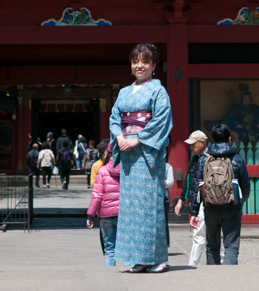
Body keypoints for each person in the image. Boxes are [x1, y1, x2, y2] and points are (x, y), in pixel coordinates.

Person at [110, 42, 173, 274]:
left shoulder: (158, 91)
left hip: (147, 156)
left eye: (145, 61)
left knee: (150, 206)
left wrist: (138, 139)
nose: (139, 65)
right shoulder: (124, 92)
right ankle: (138, 258)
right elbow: (115, 117)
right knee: (130, 208)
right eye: (135, 61)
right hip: (127, 155)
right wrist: (118, 136)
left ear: (153, 65)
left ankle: (158, 258)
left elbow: (161, 120)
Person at [192, 124, 250, 265]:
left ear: (212, 139)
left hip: (210, 207)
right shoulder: (236, 159)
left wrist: (193, 211)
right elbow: (245, 184)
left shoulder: (204, 160)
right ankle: (229, 279)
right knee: (231, 247)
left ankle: (214, 280)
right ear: (229, 140)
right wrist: (242, 200)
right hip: (232, 207)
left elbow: (196, 186)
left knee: (212, 246)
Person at [174, 130, 208, 267]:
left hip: (205, 202)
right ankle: (227, 259)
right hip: (198, 202)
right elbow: (189, 180)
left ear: (202, 143)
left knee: (199, 235)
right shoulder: (194, 158)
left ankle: (192, 265)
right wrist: (181, 199)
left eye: (193, 144)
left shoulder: (206, 158)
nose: (190, 147)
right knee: (204, 236)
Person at [87, 157, 121, 266]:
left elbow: (97, 195)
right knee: (129, 246)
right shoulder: (130, 168)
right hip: (124, 213)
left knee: (109, 249)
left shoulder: (102, 170)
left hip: (106, 214)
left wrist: (90, 215)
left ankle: (110, 274)